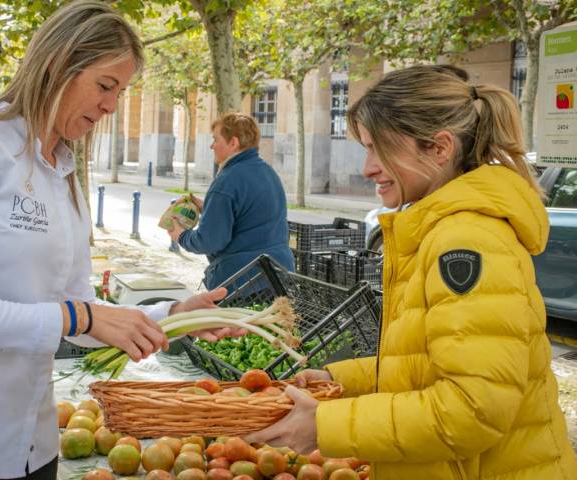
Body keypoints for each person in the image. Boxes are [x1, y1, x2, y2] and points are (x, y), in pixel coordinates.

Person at [0, 3, 242, 479]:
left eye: (120, 93)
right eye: (105, 86)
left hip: (27, 443)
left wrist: (170, 316)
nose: (110, 107)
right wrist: (81, 314)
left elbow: (76, 311)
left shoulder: (65, 172)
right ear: (59, 64)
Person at [245, 65, 577, 479]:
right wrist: (342, 379)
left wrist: (325, 425)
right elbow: (431, 364)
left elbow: (471, 410)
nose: (367, 168)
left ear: (439, 149)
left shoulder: (467, 241)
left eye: (377, 149)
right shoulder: (442, 229)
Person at [168, 113, 294, 289]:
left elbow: (209, 241)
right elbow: (250, 216)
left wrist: (180, 235)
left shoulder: (226, 181)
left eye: (216, 139)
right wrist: (209, 208)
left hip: (243, 282)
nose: (212, 146)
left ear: (233, 143)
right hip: (279, 274)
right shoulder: (268, 172)